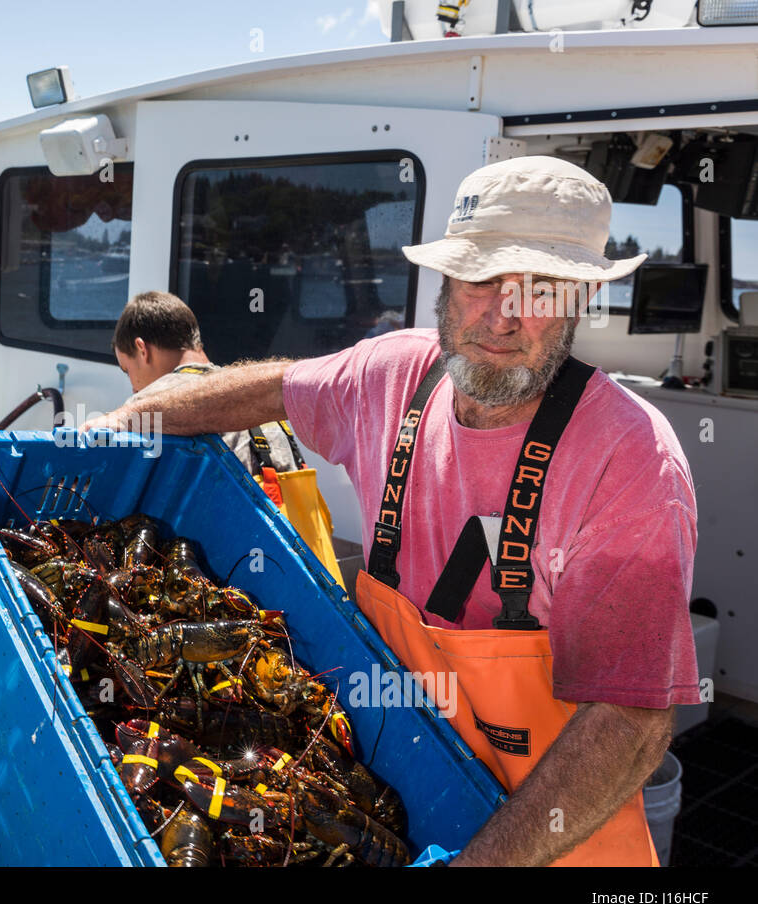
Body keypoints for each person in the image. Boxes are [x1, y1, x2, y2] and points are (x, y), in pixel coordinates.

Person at [87, 155, 699, 866]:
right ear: (445, 281)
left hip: (549, 844)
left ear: (581, 298)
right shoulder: (394, 375)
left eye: (540, 288)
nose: (504, 316)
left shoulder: (630, 461)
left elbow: (629, 720)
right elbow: (268, 390)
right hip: (382, 789)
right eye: (482, 279)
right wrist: (129, 415)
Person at [112, 291, 347, 586]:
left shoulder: (150, 407)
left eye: (127, 370)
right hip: (311, 578)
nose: (134, 388)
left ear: (142, 349)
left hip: (238, 580)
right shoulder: (251, 393)